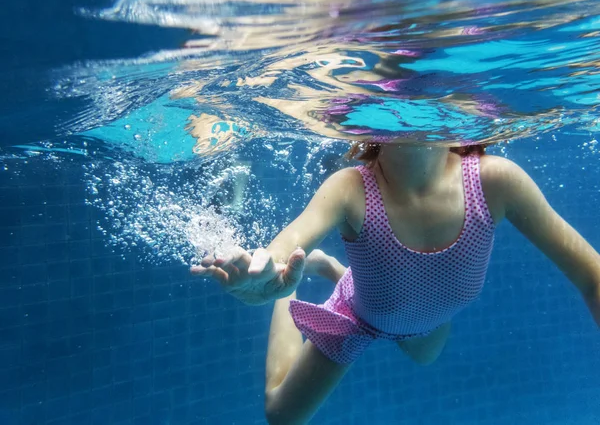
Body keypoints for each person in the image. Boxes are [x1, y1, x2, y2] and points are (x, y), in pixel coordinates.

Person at [191, 141, 600, 424]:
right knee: (281, 416)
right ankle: (311, 288)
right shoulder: (351, 188)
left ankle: (337, 270)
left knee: (424, 356)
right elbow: (286, 244)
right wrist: (273, 277)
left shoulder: (496, 183)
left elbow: (593, 276)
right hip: (360, 316)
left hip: (427, 319)